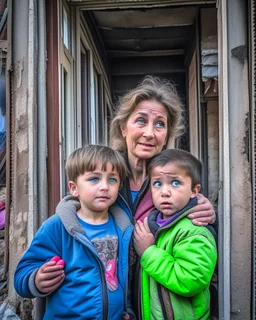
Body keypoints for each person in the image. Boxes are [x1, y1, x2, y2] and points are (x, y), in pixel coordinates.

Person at [56, 76, 217, 315]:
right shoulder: (106, 174)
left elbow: (199, 244)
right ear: (124, 128)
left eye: (160, 124)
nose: (150, 133)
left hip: (158, 304)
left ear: (167, 135)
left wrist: (206, 211)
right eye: (141, 121)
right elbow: (75, 204)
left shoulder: (175, 186)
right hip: (108, 304)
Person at [14, 145, 135, 320]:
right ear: (74, 188)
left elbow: (127, 278)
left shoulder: (123, 229)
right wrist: (36, 280)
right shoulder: (57, 227)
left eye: (112, 180)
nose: (104, 186)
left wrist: (128, 309)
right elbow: (21, 275)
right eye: (94, 179)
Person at [133, 148, 217, 319]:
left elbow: (191, 280)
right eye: (158, 183)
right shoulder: (155, 224)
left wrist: (149, 253)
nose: (165, 191)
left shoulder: (194, 230)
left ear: (194, 190)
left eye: (175, 183)